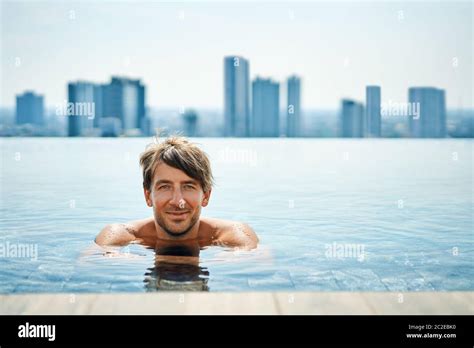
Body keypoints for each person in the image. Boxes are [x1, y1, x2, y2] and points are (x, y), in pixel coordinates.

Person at [95, 136, 258, 251]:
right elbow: (89, 264)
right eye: (165, 187)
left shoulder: (233, 233)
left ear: (206, 196)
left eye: (188, 186)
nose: (178, 201)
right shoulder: (120, 234)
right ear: (147, 196)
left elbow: (258, 263)